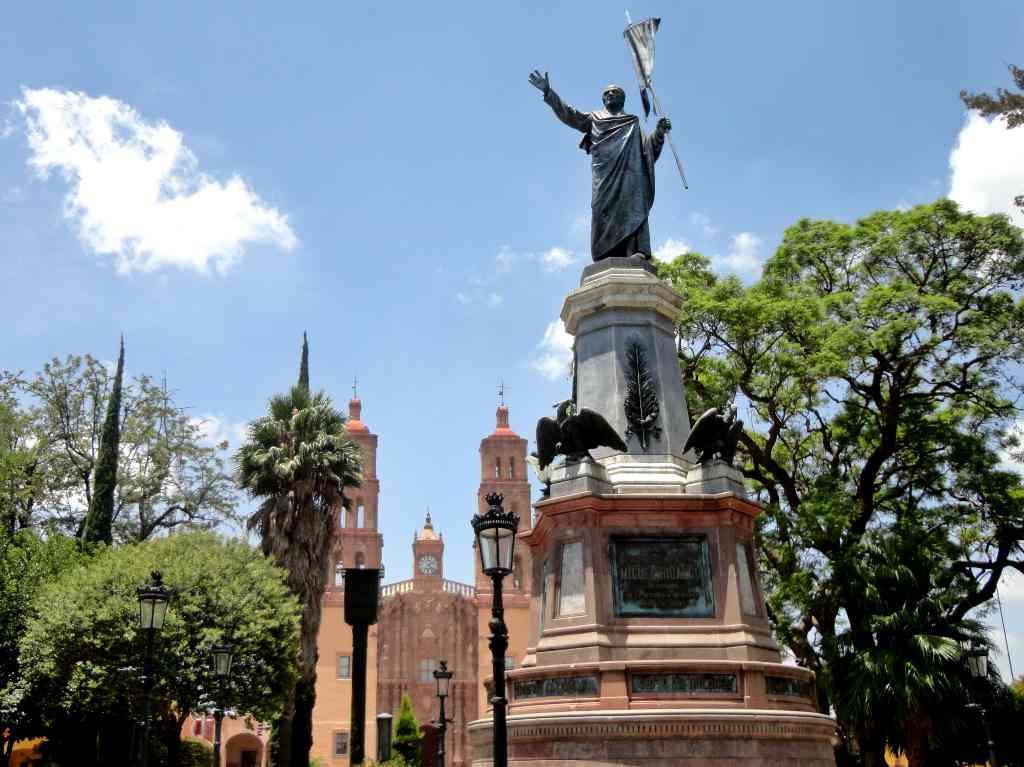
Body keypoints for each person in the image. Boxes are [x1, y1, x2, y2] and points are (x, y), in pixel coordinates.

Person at [529, 70, 671, 261]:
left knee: (631, 208)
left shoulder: (632, 122)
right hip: (604, 175)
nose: (610, 95)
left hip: (630, 175)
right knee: (600, 210)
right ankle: (606, 254)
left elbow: (648, 152)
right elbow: (570, 115)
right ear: (603, 100)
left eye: (615, 92)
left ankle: (633, 251)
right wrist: (549, 92)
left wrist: (659, 132)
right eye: (607, 93)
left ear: (623, 99)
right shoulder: (594, 118)